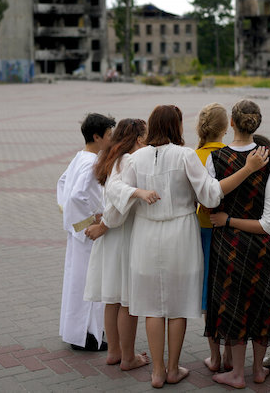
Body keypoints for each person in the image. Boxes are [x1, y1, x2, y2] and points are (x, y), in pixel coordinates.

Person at [115, 105, 270, 388]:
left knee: (152, 306)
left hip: (146, 234)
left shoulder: (136, 158)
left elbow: (116, 193)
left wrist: (131, 198)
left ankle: (157, 372)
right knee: (177, 306)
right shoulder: (185, 155)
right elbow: (210, 196)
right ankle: (173, 369)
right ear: (177, 126)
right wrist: (247, 170)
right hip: (180, 234)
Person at [204, 99, 270, 389]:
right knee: (263, 302)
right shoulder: (269, 155)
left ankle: (236, 373)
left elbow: (209, 198)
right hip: (263, 242)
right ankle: (258, 370)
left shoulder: (216, 158)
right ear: (257, 124)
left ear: (231, 124)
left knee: (234, 304)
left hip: (228, 241)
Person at [83, 118, 152, 370]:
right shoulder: (129, 160)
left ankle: (114, 352)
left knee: (113, 298)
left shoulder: (113, 158)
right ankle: (128, 357)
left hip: (113, 235)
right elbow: (118, 197)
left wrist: (105, 225)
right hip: (121, 233)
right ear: (137, 138)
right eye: (144, 136)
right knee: (127, 299)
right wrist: (105, 225)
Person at [57, 113, 116, 351]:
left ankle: (77, 332)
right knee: (89, 283)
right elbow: (75, 195)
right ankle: (88, 336)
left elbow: (62, 184)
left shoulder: (80, 157)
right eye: (109, 136)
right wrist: (92, 219)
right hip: (88, 233)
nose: (112, 140)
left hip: (78, 232)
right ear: (97, 136)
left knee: (77, 282)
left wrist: (71, 221)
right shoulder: (92, 163)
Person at [193, 103, 232, 373]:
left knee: (208, 291)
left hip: (202, 228)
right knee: (227, 289)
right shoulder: (232, 155)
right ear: (227, 127)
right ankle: (231, 354)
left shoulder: (194, 155)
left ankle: (215, 356)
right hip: (229, 228)